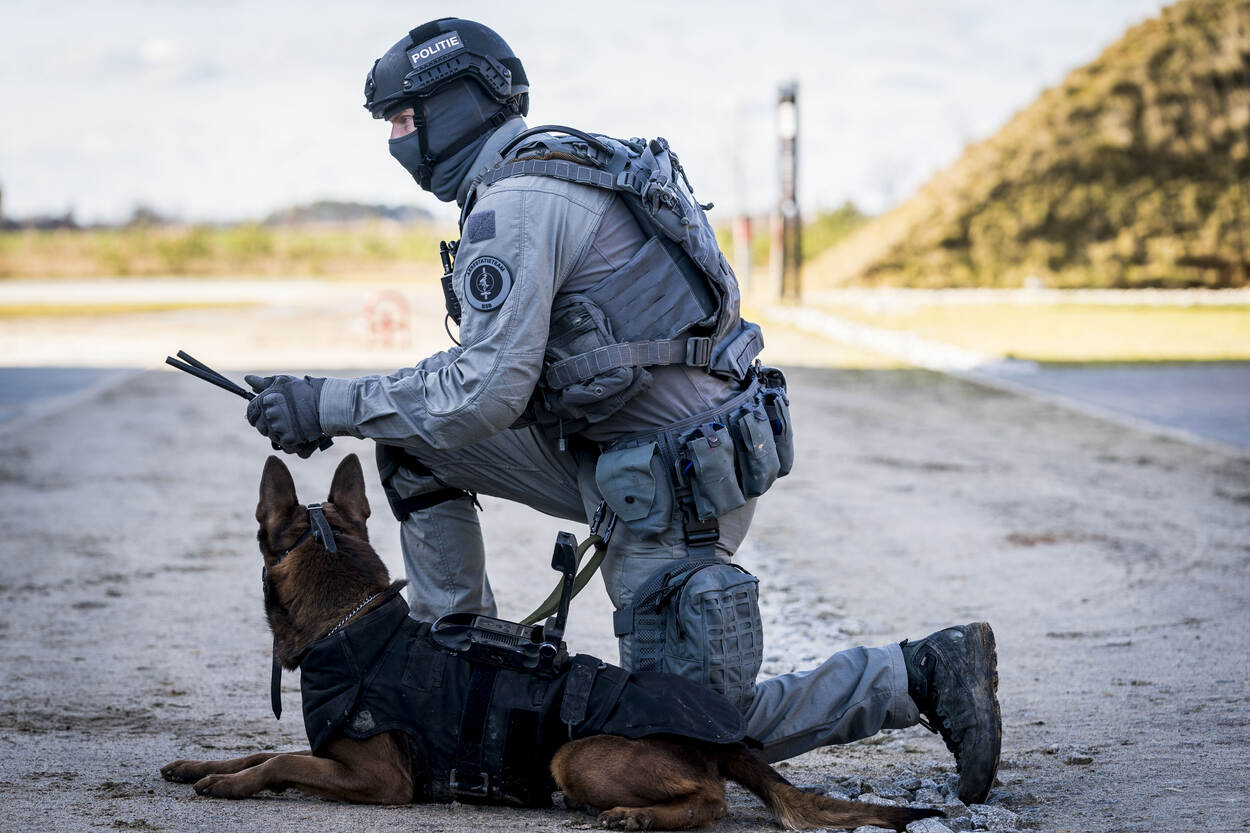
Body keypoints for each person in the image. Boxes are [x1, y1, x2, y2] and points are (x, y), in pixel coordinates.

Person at [244, 17, 1001, 803]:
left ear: (457, 107)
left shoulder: (516, 206)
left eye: (405, 118)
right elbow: (485, 390)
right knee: (414, 437)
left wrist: (326, 402)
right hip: (626, 455)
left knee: (680, 732)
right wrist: (354, 408)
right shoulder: (557, 169)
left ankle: (915, 674)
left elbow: (482, 390)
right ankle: (446, 679)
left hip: (673, 488)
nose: (396, 139)